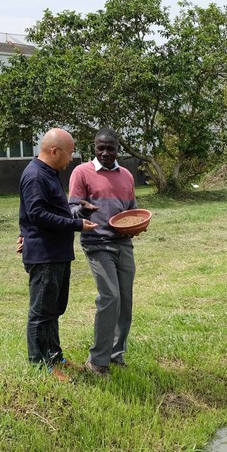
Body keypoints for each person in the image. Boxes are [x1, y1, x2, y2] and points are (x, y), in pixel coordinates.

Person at [19, 128, 98, 381]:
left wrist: (77, 210)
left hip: (57, 253)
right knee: (42, 311)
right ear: (54, 151)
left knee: (54, 309)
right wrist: (77, 225)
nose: (72, 158)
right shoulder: (35, 175)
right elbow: (37, 215)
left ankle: (54, 356)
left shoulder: (49, 173)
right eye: (70, 152)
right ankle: (39, 363)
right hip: (45, 255)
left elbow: (48, 210)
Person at [68, 127, 137, 377]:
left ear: (118, 149)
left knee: (125, 301)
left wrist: (136, 225)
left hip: (123, 243)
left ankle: (116, 355)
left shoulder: (126, 175)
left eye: (110, 148)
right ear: (94, 147)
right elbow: (71, 209)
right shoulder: (81, 172)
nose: (105, 153)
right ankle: (97, 361)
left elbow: (132, 211)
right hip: (97, 242)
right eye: (100, 148)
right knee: (110, 297)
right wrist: (83, 210)